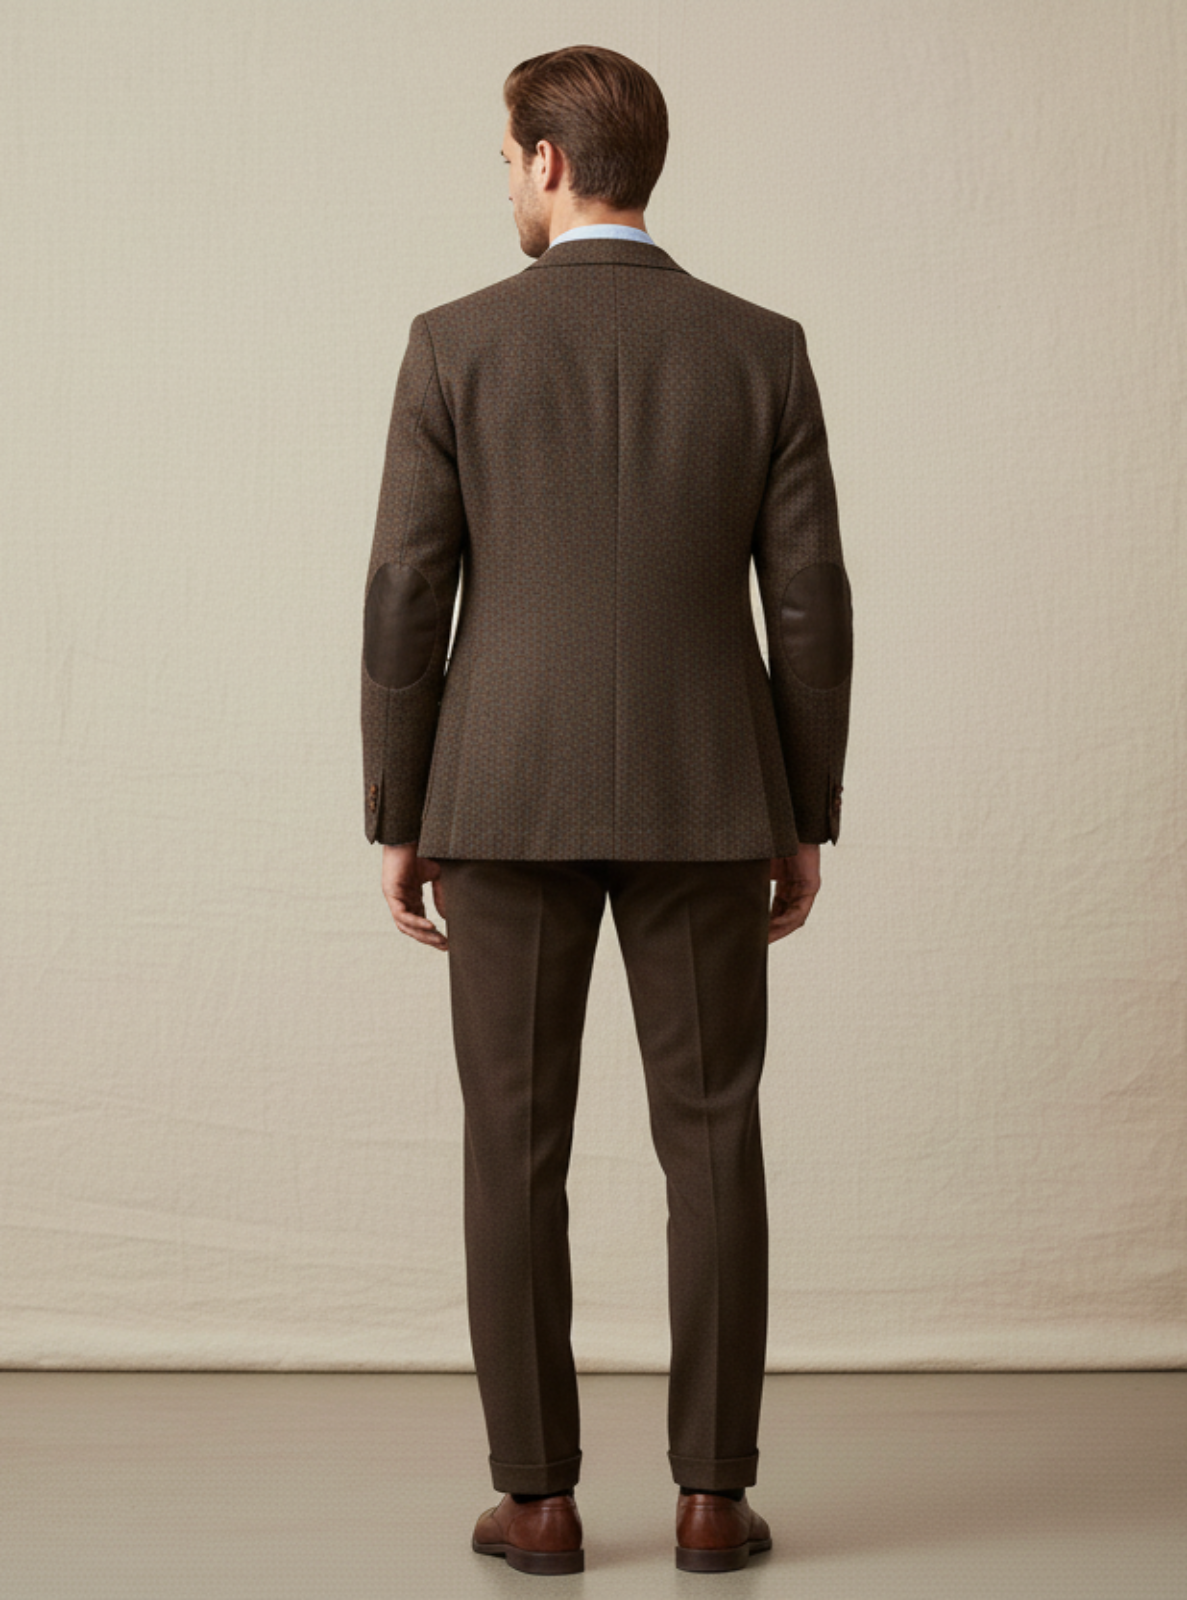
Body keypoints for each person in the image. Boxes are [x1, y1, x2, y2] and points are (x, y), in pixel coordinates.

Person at [360, 44, 853, 1576]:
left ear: (551, 163)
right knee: (713, 1140)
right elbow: (813, 605)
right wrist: (800, 808)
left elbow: (405, 591)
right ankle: (713, 1498)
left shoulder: (455, 344)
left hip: (497, 796)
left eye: (505, 159)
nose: (504, 182)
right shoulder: (759, 347)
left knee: (512, 1144)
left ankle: (542, 1500)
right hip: (713, 796)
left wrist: (399, 804)